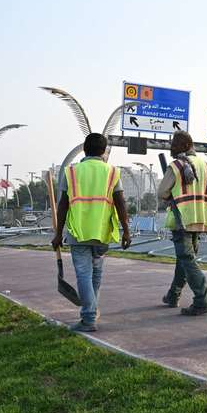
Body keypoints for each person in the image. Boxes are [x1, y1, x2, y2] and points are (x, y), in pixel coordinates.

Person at [51, 133, 131, 332]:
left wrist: (58, 234)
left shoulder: (72, 172)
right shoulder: (112, 172)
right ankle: (92, 312)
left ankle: (88, 318)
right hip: (102, 233)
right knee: (96, 273)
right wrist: (126, 231)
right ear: (104, 151)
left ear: (85, 149)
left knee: (84, 275)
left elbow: (63, 205)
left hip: (79, 231)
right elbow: (121, 203)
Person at [157, 130, 207, 316]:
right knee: (184, 259)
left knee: (188, 261)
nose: (171, 148)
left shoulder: (176, 166)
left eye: (174, 144)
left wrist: (171, 195)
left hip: (182, 219)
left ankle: (201, 300)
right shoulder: (206, 165)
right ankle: (173, 295)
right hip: (200, 219)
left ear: (186, 146)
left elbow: (162, 192)